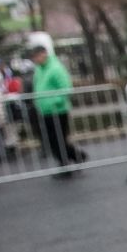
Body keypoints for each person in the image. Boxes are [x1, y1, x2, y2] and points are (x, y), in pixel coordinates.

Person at [27, 43, 82, 177]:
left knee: (58, 139)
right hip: (45, 111)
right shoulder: (40, 70)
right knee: (52, 140)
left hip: (58, 110)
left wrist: (54, 101)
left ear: (43, 54)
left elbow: (66, 87)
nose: (35, 60)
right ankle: (74, 157)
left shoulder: (55, 68)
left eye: (36, 57)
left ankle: (65, 165)